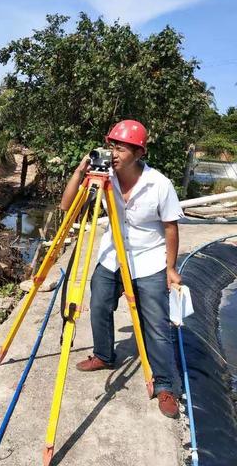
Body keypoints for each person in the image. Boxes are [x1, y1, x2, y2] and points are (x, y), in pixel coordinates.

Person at [60, 119, 183, 419]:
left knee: (154, 321)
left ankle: (166, 385)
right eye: (112, 146)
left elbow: (170, 227)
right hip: (113, 253)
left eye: (121, 148)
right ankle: (104, 354)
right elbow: (67, 207)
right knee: (99, 302)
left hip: (148, 258)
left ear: (139, 153)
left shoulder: (159, 185)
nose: (114, 153)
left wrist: (171, 267)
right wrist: (81, 171)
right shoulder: (103, 176)